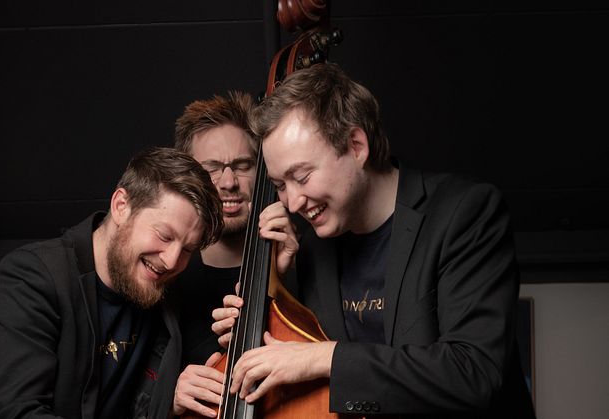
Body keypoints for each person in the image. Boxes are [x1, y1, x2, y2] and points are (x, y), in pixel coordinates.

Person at [212, 63, 536, 417]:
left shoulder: (465, 213)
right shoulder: (312, 249)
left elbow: (474, 372)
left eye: (302, 176)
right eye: (279, 185)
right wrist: (273, 296)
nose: (290, 202)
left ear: (356, 145)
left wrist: (326, 357)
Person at [0, 147, 223, 419]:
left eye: (188, 249)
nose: (172, 260)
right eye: (165, 235)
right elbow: (17, 414)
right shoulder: (29, 277)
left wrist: (166, 403)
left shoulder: (163, 290)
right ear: (121, 206)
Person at [169, 92, 268, 417]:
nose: (228, 182)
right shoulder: (163, 275)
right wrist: (165, 396)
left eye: (242, 166)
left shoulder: (300, 261)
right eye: (211, 169)